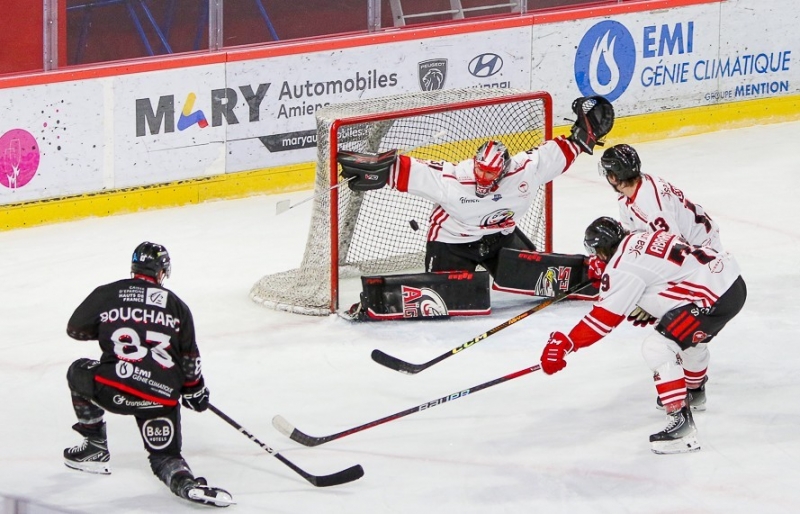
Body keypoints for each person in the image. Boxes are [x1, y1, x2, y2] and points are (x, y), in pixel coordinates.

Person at [337, 95, 615, 277]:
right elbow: (412, 170)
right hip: (453, 242)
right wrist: (376, 168)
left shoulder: (524, 171)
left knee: (542, 280)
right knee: (447, 299)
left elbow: (560, 152)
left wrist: (583, 136)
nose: (483, 179)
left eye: (490, 174)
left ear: (503, 171)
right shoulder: (455, 179)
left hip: (501, 238)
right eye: (480, 170)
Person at [538, 217, 746, 454]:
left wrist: (568, 343)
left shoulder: (622, 266)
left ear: (602, 250)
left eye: (596, 253)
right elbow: (664, 273)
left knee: (658, 347)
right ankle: (694, 393)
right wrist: (657, 305)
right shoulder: (640, 237)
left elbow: (603, 320)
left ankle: (682, 427)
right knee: (689, 341)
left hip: (713, 298)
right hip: (730, 283)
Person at [63, 242, 232, 507]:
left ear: (134, 268)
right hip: (159, 397)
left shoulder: (108, 293)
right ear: (162, 272)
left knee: (78, 371)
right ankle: (185, 484)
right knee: (165, 457)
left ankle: (94, 446)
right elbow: (190, 359)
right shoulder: (176, 305)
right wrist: (195, 390)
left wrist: (112, 326)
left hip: (112, 388)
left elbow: (75, 329)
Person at [598, 143, 725, 394]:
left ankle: (693, 386)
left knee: (684, 324)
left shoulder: (650, 203)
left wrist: (650, 298)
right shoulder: (631, 194)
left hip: (702, 257)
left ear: (613, 177)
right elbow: (639, 244)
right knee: (675, 321)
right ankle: (690, 379)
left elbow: (673, 252)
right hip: (692, 251)